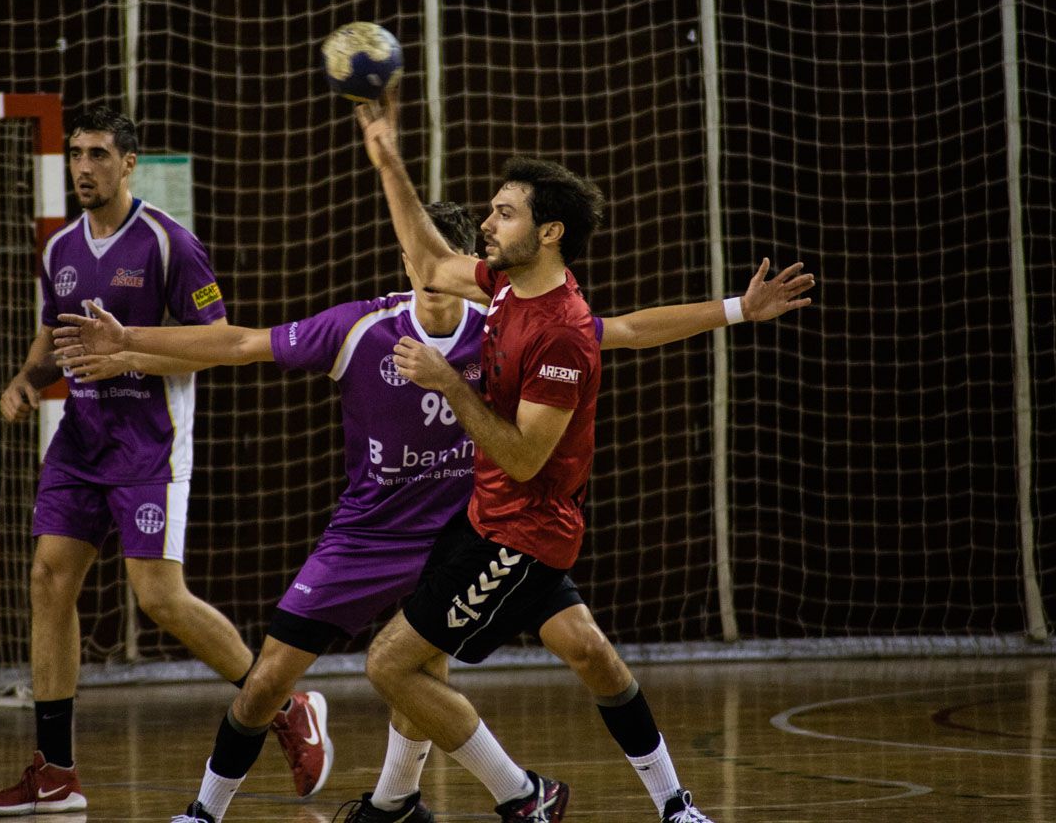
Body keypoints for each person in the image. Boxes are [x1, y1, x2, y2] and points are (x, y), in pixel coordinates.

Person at [54, 198, 811, 822]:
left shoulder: (510, 324)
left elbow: (630, 330)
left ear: (472, 279)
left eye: (449, 273)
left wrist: (740, 308)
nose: (434, 283)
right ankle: (207, 812)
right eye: (422, 270)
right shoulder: (360, 328)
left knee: (570, 652)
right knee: (266, 682)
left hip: (475, 530)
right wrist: (131, 348)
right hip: (368, 531)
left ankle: (665, 805)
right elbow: (242, 343)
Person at [352, 89, 812, 823]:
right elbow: (434, 262)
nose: (487, 220)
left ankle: (522, 798)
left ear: (551, 230)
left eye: (505, 212)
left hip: (521, 534)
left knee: (393, 663)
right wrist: (386, 158)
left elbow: (525, 456)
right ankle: (675, 807)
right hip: (493, 514)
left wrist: (446, 381)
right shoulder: (509, 284)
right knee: (589, 655)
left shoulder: (559, 334)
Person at [0, 106, 328, 817]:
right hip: (80, 439)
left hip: (149, 442)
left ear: (128, 162)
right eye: (76, 154)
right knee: (49, 581)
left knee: (157, 597)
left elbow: (219, 339)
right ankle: (56, 771)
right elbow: (53, 335)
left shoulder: (169, 245)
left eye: (99, 154)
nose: (84, 167)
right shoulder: (60, 250)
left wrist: (128, 350)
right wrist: (25, 380)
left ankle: (286, 703)